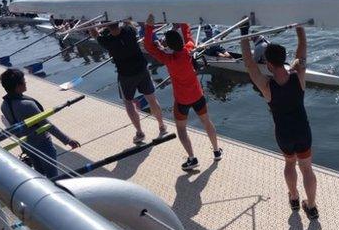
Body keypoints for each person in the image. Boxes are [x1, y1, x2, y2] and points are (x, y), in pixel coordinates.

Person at [240, 22, 319, 219]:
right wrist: (299, 27)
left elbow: (249, 63)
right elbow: (301, 50)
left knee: (290, 164)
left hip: (284, 134)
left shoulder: (266, 86)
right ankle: (311, 206)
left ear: (268, 64)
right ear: (284, 60)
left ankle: (293, 198)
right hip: (303, 131)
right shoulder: (298, 75)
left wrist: (243, 33)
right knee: (307, 168)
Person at [143, 14, 222, 171]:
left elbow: (149, 46)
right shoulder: (189, 49)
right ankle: (216, 151)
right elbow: (188, 36)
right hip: (198, 96)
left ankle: (192, 159)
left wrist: (149, 27)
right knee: (207, 122)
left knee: (181, 129)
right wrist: (183, 20)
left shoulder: (168, 58)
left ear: (169, 46)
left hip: (182, 101)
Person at [89, 21, 167, 144]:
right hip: (142, 69)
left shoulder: (107, 41)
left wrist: (90, 23)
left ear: (107, 27)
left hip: (126, 75)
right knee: (151, 98)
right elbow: (129, 21)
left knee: (128, 102)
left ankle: (140, 133)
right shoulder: (130, 31)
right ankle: (162, 126)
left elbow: (94, 34)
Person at [0, 68, 80, 178]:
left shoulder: (4, 105)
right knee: (53, 177)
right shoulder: (27, 105)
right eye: (23, 80)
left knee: (39, 174)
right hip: (43, 145)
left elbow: (13, 127)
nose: (26, 82)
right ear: (18, 86)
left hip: (27, 146)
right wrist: (68, 140)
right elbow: (47, 125)